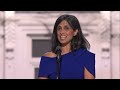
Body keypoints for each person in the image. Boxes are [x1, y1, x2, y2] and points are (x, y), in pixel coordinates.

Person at [38, 14, 95, 79]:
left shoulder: (86, 56)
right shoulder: (47, 59)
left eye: (66, 28)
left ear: (75, 32)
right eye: (59, 28)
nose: (62, 32)